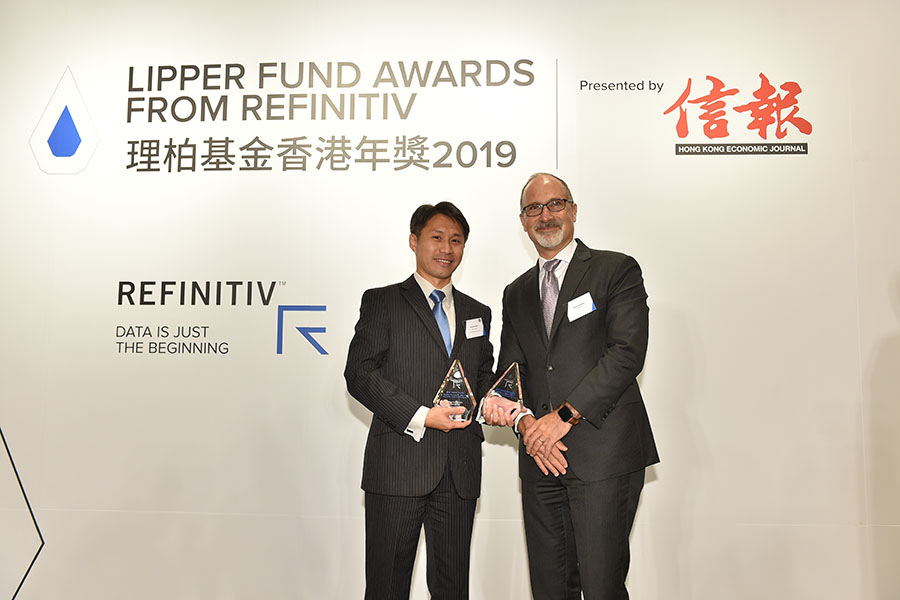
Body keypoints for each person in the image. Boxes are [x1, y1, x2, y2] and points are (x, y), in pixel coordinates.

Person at [483, 173, 659, 599]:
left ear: (574, 210)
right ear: (523, 221)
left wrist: (562, 417)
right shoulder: (516, 292)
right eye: (534, 208)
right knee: (549, 588)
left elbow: (626, 353)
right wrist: (525, 424)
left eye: (556, 204)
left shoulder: (615, 269)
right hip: (540, 459)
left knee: (601, 587)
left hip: (603, 455)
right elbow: (512, 373)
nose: (545, 215)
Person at [345, 201, 494, 600]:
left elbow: (482, 376)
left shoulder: (478, 313)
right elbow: (359, 374)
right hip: (398, 467)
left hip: (459, 471)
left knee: (452, 589)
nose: (447, 248)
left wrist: (498, 401)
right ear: (414, 241)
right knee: (387, 587)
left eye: (456, 240)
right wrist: (422, 416)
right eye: (437, 237)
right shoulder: (383, 302)